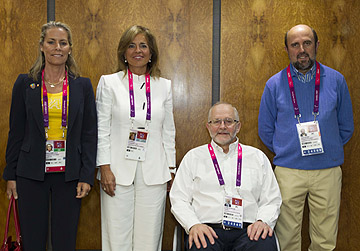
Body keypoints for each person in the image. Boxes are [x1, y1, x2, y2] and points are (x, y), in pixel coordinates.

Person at [258, 24, 354, 251]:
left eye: (307, 43)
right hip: (288, 171)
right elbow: (265, 130)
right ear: (287, 49)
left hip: (327, 171)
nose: (302, 49)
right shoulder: (274, 84)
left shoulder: (337, 80)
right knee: (286, 237)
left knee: (325, 239)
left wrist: (327, 149)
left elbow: (346, 126)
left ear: (316, 46)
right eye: (295, 45)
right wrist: (288, 149)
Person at [3, 21, 97, 250]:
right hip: (31, 173)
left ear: (70, 48)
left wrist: (86, 175)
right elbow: (15, 131)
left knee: (65, 241)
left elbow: (89, 134)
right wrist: (10, 175)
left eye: (63, 43)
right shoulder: (25, 83)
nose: (57, 47)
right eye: (51, 42)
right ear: (42, 46)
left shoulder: (82, 86)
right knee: (33, 240)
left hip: (69, 175)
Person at [96, 25, 176, 250]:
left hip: (155, 172)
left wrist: (171, 169)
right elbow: (102, 129)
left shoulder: (164, 86)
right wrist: (104, 168)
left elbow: (168, 131)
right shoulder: (109, 83)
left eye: (143, 45)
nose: (137, 50)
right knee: (117, 236)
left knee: (149, 238)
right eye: (131, 45)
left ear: (152, 53)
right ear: (124, 51)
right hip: (116, 173)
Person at [170, 102, 281, 251]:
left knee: (264, 244)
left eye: (229, 121)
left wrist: (263, 221)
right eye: (216, 121)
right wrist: (193, 224)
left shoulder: (257, 157)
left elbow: (272, 199)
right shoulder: (193, 157)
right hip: (207, 231)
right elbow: (179, 199)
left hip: (249, 231)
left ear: (238, 126)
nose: (222, 126)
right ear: (208, 127)